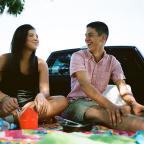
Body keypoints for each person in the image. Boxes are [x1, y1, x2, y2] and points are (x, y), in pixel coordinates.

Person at [63, 21, 144, 131]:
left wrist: (133, 103)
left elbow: (122, 87)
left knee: (118, 111)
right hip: (76, 103)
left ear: (103, 38)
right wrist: (109, 105)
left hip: (98, 103)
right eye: (86, 36)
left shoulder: (113, 61)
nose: (86, 39)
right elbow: (85, 85)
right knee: (106, 113)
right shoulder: (78, 56)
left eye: (90, 35)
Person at [0, 24, 68, 124]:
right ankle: (26, 119)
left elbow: (45, 93)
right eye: (31, 35)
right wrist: (4, 98)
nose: (36, 39)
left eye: (36, 36)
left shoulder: (41, 64)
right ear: (21, 38)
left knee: (62, 100)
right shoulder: (4, 59)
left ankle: (15, 119)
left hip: (30, 107)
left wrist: (41, 95)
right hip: (5, 106)